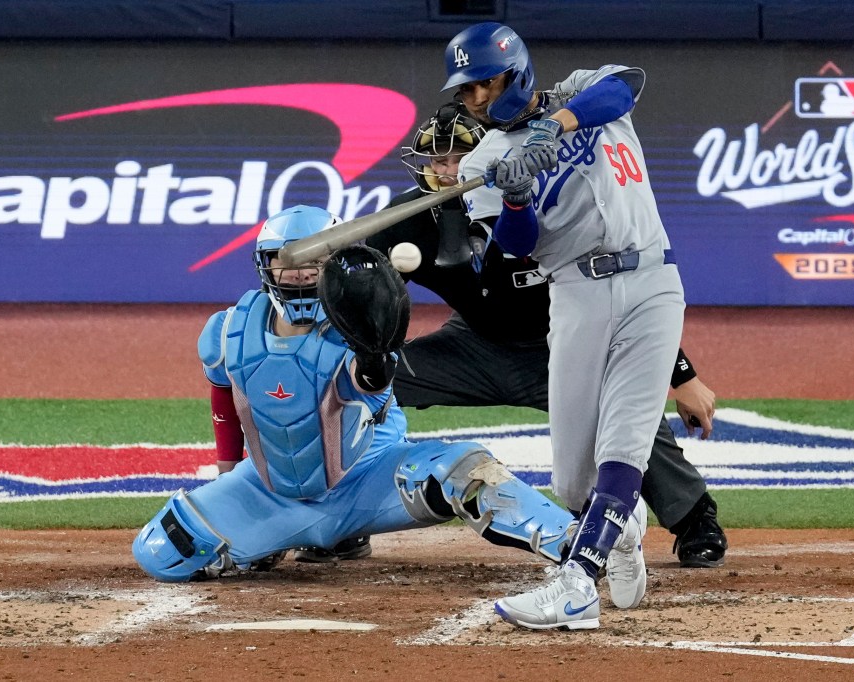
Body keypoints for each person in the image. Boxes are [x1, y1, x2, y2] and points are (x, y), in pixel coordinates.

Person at [365, 100, 727, 575]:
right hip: (470, 347)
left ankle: (694, 518)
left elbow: (629, 295)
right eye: (436, 159)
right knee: (357, 387)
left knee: (627, 417)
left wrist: (682, 375)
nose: (445, 171)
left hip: (558, 345)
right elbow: (355, 285)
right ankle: (339, 521)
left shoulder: (545, 205)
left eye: (456, 158)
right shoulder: (408, 218)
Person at [131, 205, 576, 583]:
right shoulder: (228, 330)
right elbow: (224, 401)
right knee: (161, 552)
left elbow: (373, 388)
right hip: (272, 490)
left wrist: (373, 352)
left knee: (463, 469)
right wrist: (226, 472)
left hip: (368, 479)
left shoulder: (363, 323)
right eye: (285, 259)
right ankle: (295, 535)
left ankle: (579, 543)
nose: (299, 271)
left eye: (314, 260)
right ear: (265, 265)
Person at [440, 21, 691, 630]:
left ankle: (577, 586)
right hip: (575, 290)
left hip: (653, 281)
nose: (472, 99)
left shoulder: (582, 91)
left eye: (481, 84)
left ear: (514, 71)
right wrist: (519, 198)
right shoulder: (487, 160)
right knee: (575, 482)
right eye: (466, 91)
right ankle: (622, 525)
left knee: (624, 440)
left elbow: (624, 88)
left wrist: (555, 127)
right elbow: (517, 248)